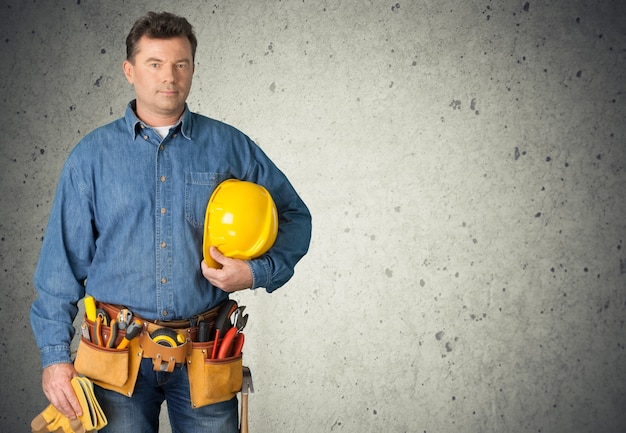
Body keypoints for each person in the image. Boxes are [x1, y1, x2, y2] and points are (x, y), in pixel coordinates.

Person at [30, 11, 312, 433]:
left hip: (205, 356)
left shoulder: (230, 147)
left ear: (193, 69)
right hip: (115, 361)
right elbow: (60, 268)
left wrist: (255, 272)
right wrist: (55, 358)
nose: (170, 76)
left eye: (181, 64)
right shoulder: (90, 158)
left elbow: (294, 216)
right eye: (155, 64)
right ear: (130, 70)